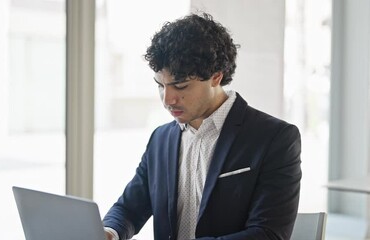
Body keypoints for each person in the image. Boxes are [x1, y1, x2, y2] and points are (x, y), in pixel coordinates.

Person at [103, 12, 302, 240]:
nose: (168, 99)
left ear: (216, 77)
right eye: (160, 85)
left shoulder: (274, 138)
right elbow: (129, 209)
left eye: (181, 86)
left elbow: (268, 234)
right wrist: (109, 232)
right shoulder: (161, 138)